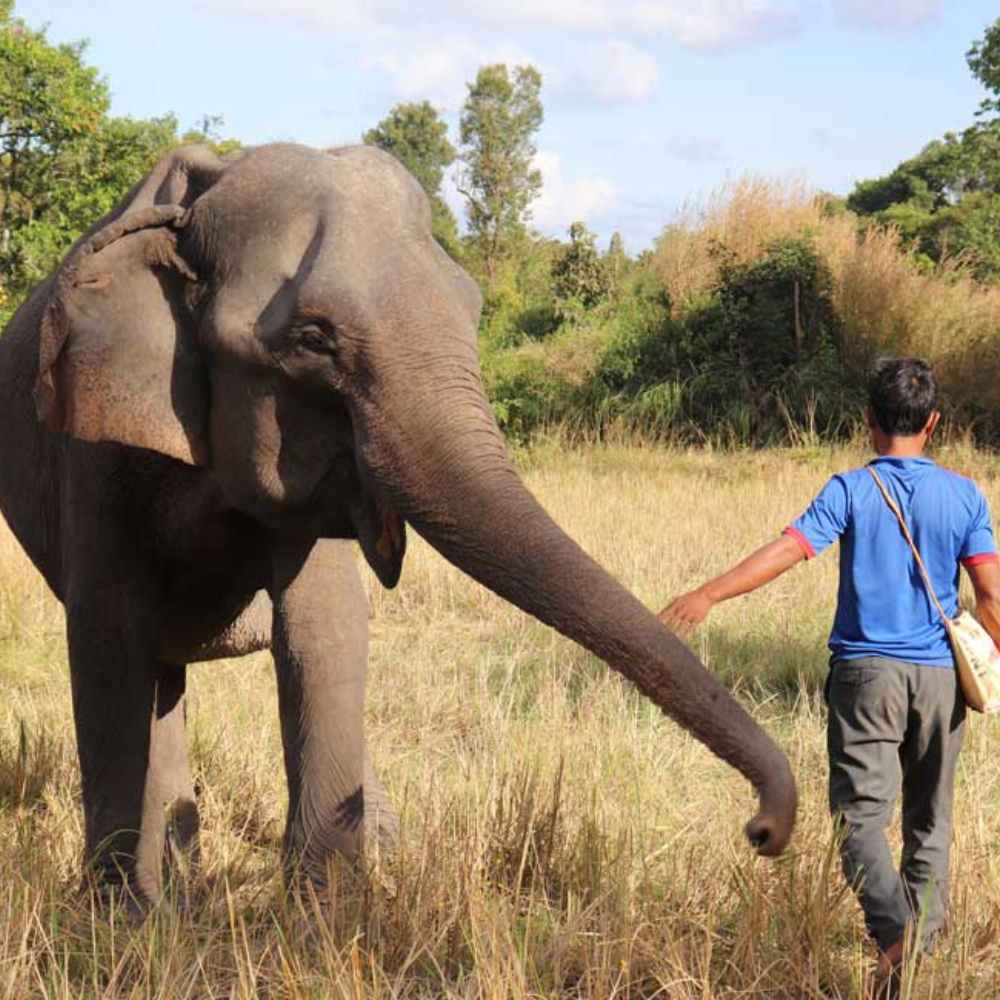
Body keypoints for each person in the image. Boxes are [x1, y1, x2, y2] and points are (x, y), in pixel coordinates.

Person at [659, 358, 1000, 994]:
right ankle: (916, 950)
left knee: (859, 820)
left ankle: (898, 938)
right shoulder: (966, 495)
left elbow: (787, 550)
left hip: (866, 677)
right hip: (939, 680)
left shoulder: (850, 490)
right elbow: (990, 595)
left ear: (869, 421)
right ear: (934, 423)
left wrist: (708, 594)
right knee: (931, 819)